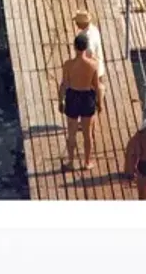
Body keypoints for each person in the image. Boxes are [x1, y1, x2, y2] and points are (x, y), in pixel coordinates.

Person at [58, 32, 100, 171]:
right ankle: (87, 162)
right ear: (86, 47)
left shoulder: (68, 65)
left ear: (74, 47)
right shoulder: (93, 65)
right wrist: (99, 103)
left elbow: (64, 84)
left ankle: (71, 162)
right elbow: (97, 86)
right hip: (87, 97)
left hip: (73, 97)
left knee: (72, 133)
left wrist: (60, 101)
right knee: (87, 134)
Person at [73, 10, 105, 83]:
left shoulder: (88, 36)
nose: (76, 23)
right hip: (97, 68)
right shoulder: (94, 29)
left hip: (91, 71)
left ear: (82, 23)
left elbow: (90, 52)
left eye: (77, 22)